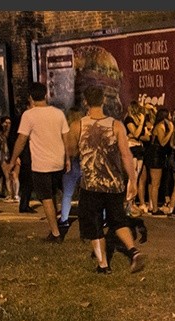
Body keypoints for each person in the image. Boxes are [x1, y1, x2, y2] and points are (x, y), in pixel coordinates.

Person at [64, 85, 145, 274]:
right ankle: (133, 251)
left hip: (91, 184)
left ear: (85, 102)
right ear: (103, 101)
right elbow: (126, 155)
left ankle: (103, 266)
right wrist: (132, 181)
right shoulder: (116, 125)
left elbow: (71, 151)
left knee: (94, 225)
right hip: (114, 183)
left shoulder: (78, 125)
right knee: (118, 221)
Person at [10, 82, 69, 242]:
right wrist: (68, 158)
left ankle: (55, 233)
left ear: (30, 97)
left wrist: (13, 160)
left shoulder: (29, 115)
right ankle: (58, 225)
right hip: (58, 161)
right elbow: (66, 138)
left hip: (41, 164)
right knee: (54, 195)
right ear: (45, 95)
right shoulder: (59, 113)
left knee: (46, 198)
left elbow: (21, 140)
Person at [59, 106, 85, 229]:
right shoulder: (84, 128)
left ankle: (64, 219)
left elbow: (67, 149)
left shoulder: (66, 131)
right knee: (92, 192)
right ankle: (101, 217)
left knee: (67, 193)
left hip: (71, 162)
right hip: (84, 161)